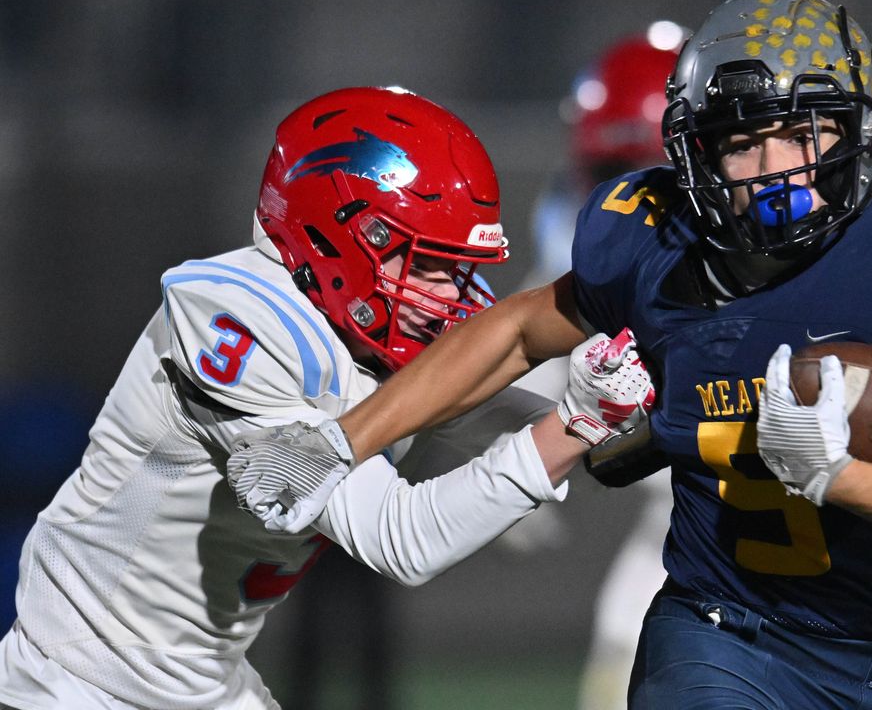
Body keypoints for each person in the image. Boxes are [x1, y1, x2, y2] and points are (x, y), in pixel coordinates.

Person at [230, 0, 872, 708]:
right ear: (697, 154)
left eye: (801, 132)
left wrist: (839, 477)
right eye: (743, 140)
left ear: (857, 132)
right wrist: (344, 440)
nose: (773, 168)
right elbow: (517, 330)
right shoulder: (654, 241)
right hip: (721, 633)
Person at [0, 86, 653, 710]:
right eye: (425, 264)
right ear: (339, 235)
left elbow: (548, 439)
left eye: (456, 269)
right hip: (80, 679)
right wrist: (577, 422)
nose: (450, 296)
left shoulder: (379, 332)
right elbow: (402, 538)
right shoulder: (231, 315)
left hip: (199, 681)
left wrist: (630, 406)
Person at [517, 24, 684, 710]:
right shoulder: (576, 230)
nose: (620, 202)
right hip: (677, 526)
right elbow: (532, 337)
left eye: (639, 176)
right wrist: (516, 445)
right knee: (625, 632)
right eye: (608, 178)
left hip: (798, 540)